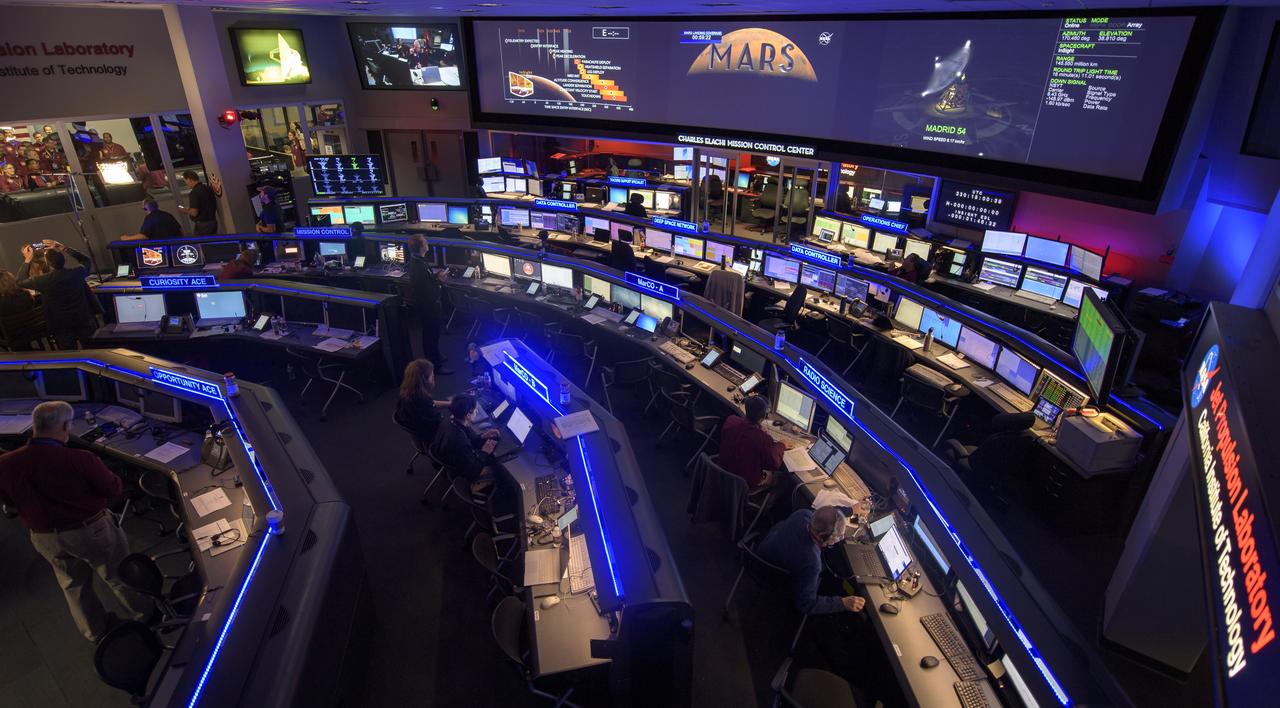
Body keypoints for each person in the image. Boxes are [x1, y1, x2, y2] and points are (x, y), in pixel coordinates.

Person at [0, 401, 153, 642]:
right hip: (90, 531)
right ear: (64, 426)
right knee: (117, 575)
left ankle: (96, 631)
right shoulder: (80, 459)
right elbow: (112, 488)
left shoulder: (5, 463)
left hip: (45, 538)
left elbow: (8, 501)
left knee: (73, 586)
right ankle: (146, 615)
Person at [757, 506, 866, 615]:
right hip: (772, 578)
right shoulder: (812, 563)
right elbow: (806, 604)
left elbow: (823, 516)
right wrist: (843, 603)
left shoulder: (802, 514)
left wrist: (851, 511)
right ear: (822, 536)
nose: (841, 538)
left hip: (759, 555)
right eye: (839, 536)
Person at [17, 240, 95, 349]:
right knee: (92, 350)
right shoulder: (77, 272)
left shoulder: (43, 281)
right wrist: (64, 248)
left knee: (69, 355)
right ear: (64, 259)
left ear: (48, 264)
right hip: (83, 318)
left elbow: (20, 282)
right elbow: (86, 260)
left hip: (60, 324)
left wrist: (27, 259)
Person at [719, 395, 790, 491]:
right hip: (744, 485)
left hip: (721, 474)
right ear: (764, 416)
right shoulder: (763, 439)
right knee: (782, 478)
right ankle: (766, 502)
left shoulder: (731, 420)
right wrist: (782, 445)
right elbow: (773, 464)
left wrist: (759, 429)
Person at [433, 393, 501, 494]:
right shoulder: (459, 440)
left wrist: (483, 436)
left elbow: (469, 436)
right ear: (468, 414)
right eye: (475, 411)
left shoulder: (452, 422)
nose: (476, 412)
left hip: (452, 460)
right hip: (464, 473)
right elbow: (473, 470)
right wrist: (484, 452)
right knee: (498, 467)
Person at [407, 233, 453, 374]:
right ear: (421, 247)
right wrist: (440, 281)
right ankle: (436, 366)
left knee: (433, 334)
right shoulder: (419, 266)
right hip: (428, 307)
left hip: (427, 305)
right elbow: (427, 291)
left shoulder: (418, 261)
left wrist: (435, 276)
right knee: (430, 336)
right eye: (425, 242)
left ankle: (436, 356)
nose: (427, 244)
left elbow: (425, 282)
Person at [396, 358, 448, 443]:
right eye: (432, 376)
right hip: (437, 441)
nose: (434, 377)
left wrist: (450, 403)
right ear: (424, 380)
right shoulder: (425, 407)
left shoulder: (406, 397)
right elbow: (442, 426)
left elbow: (432, 403)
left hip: (422, 439)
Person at [183, 171, 219, 235]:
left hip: (203, 225)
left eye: (185, 181)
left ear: (189, 179)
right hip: (213, 221)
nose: (186, 184)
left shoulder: (194, 193)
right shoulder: (208, 188)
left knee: (201, 244)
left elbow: (194, 213)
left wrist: (185, 210)